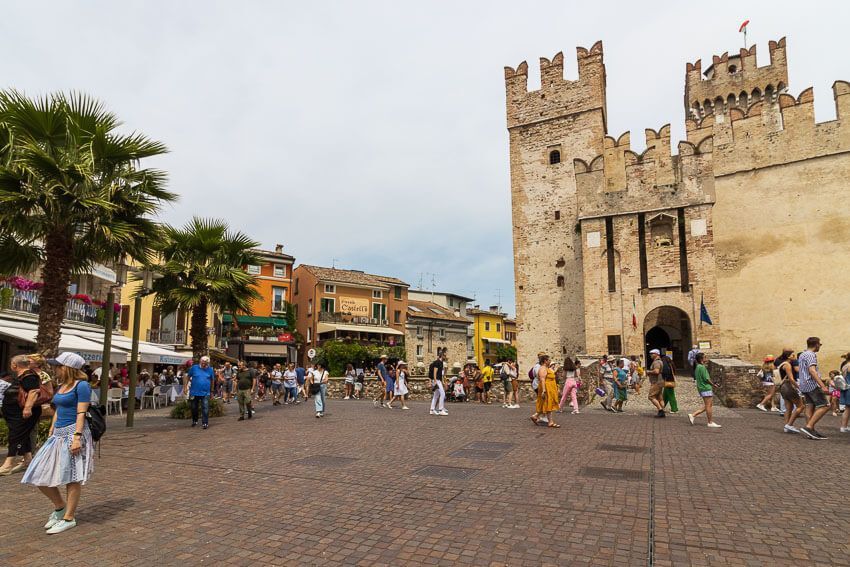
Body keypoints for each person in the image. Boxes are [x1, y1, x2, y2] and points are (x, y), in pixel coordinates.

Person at [21, 352, 92, 534]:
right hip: (58, 434)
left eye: (58, 366)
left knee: (72, 477)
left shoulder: (81, 385)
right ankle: (60, 507)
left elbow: (81, 413)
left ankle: (69, 517)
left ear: (66, 368)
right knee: (37, 472)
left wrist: (77, 437)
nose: (54, 369)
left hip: (73, 433)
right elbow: (59, 408)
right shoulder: (62, 386)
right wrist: (52, 428)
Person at [0, 354, 42, 476]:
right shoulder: (23, 375)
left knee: (15, 436)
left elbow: (33, 392)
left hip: (23, 413)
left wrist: (27, 408)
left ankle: (8, 464)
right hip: (15, 413)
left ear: (14, 365)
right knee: (23, 435)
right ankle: (28, 460)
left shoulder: (29, 376)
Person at [797, 337, 829, 440]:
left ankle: (811, 432)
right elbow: (812, 371)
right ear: (816, 345)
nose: (820, 346)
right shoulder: (811, 355)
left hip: (803, 384)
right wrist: (823, 385)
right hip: (811, 384)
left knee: (809, 406)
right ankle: (809, 427)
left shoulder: (802, 354)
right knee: (825, 405)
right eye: (820, 344)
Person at [688, 353, 721, 427]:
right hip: (706, 388)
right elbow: (706, 379)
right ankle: (710, 422)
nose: (706, 358)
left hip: (702, 388)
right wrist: (713, 385)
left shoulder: (697, 367)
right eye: (705, 357)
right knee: (708, 406)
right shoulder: (702, 367)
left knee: (708, 405)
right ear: (701, 359)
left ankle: (693, 415)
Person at [777, 350, 805, 434]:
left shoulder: (782, 364)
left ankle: (787, 426)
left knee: (789, 408)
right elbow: (791, 379)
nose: (795, 356)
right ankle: (789, 424)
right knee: (801, 406)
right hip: (788, 386)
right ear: (789, 356)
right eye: (793, 355)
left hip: (782, 387)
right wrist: (799, 387)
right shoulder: (787, 365)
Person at [185, 356, 214, 429]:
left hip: (205, 392)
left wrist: (212, 391)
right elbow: (188, 377)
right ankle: (195, 420)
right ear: (200, 361)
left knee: (205, 408)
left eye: (206, 363)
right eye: (203, 363)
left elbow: (212, 380)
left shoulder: (210, 370)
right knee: (194, 408)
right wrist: (185, 387)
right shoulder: (194, 368)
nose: (204, 365)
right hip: (194, 392)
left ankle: (205, 423)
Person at [531, 355, 559, 428]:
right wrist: (543, 390)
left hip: (550, 388)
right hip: (546, 388)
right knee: (548, 403)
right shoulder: (543, 368)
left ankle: (535, 416)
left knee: (546, 404)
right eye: (549, 360)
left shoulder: (546, 368)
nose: (550, 361)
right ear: (545, 361)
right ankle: (550, 422)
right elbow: (542, 379)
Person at [647, 349, 666, 418]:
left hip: (656, 382)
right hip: (660, 381)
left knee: (651, 396)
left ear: (656, 354)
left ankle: (660, 410)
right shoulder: (659, 361)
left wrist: (648, 372)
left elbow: (656, 371)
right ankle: (663, 410)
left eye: (652, 354)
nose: (651, 355)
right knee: (659, 397)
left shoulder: (656, 362)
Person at [429, 352, 448, 416]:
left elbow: (440, 374)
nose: (446, 357)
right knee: (442, 394)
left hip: (438, 380)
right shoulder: (437, 362)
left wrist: (442, 382)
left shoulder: (441, 363)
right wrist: (435, 381)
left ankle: (432, 410)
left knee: (436, 395)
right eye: (445, 356)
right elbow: (435, 372)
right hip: (436, 380)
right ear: (442, 356)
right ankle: (440, 410)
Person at [838, 353, 850, 433]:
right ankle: (843, 426)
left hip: (846, 388)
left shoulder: (845, 365)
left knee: (847, 408)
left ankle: (843, 426)